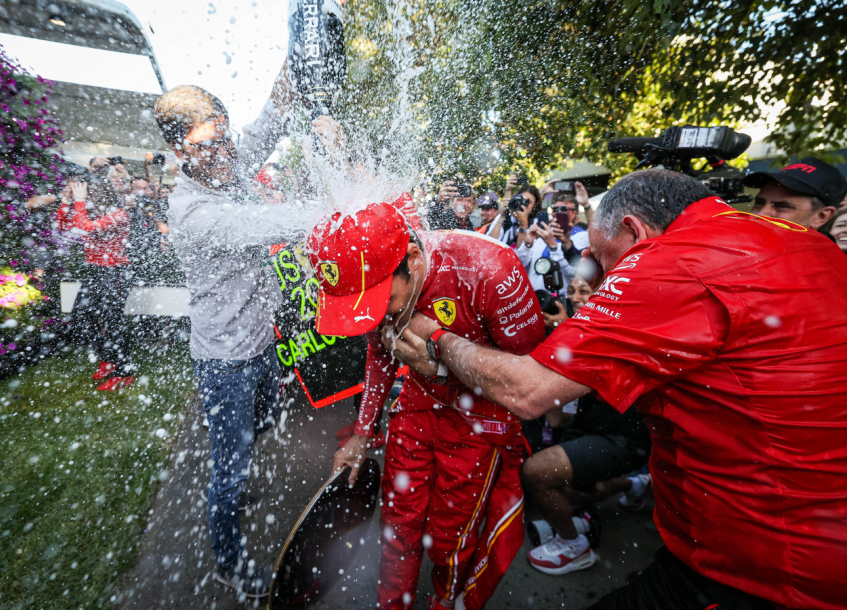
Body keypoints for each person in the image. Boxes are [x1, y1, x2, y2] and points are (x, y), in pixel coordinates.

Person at [387, 169, 847, 609]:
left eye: (605, 259)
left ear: (635, 231)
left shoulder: (671, 262)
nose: (602, 276)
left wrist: (437, 339)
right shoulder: (808, 245)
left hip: (767, 565)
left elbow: (529, 391)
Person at [306, 202, 546, 610]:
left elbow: (530, 383)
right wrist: (362, 434)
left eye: (387, 300)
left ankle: (445, 601)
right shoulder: (376, 282)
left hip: (480, 423)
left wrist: (438, 363)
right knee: (398, 525)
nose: (380, 316)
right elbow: (380, 355)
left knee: (450, 537)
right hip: (417, 408)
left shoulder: (490, 271)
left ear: (414, 259)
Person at [154, 80, 328, 600]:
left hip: (259, 347)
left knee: (261, 425)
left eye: (225, 138)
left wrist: (297, 66)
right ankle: (229, 561)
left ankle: (238, 483)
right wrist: (343, 208)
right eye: (208, 145)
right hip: (224, 364)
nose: (225, 152)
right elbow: (273, 221)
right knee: (228, 472)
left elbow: (270, 122)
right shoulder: (193, 211)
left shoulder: (222, 161)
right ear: (179, 151)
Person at [523, 275, 651, 575]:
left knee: (538, 472)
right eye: (571, 292)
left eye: (585, 292)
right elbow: (556, 414)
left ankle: (572, 546)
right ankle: (636, 486)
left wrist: (569, 330)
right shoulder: (570, 333)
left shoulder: (610, 330)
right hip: (590, 427)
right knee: (569, 495)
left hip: (624, 435)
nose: (577, 298)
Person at [63, 170, 136, 391]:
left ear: (99, 194)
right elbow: (65, 225)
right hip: (95, 270)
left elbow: (86, 227)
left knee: (112, 322)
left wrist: (79, 201)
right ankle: (109, 359)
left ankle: (125, 372)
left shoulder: (119, 214)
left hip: (114, 272)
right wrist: (67, 200)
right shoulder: (89, 212)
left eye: (88, 195)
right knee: (82, 315)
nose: (86, 199)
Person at [745, 157, 847, 230]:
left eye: (782, 206)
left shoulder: (832, 259)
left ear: (821, 217)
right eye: (759, 202)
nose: (761, 214)